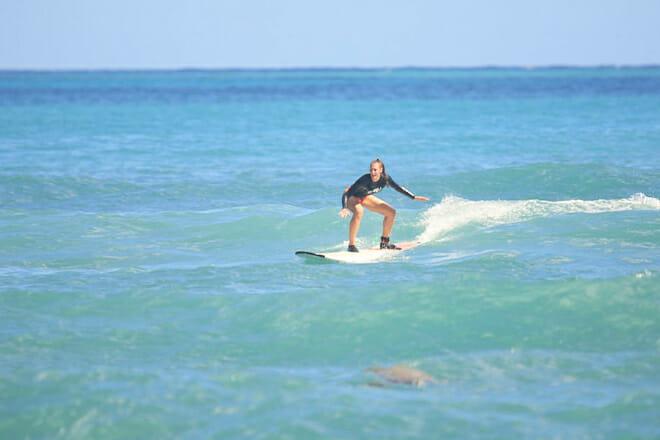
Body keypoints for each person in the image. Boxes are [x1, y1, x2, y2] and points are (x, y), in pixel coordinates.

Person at [339, 159, 429, 252]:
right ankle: (351, 245)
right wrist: (344, 207)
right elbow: (347, 193)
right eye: (371, 170)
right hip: (352, 197)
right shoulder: (365, 179)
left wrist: (413, 197)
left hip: (364, 197)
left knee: (391, 212)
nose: (372, 172)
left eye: (375, 170)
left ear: (381, 170)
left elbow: (398, 187)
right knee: (359, 211)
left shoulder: (385, 178)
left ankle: (384, 243)